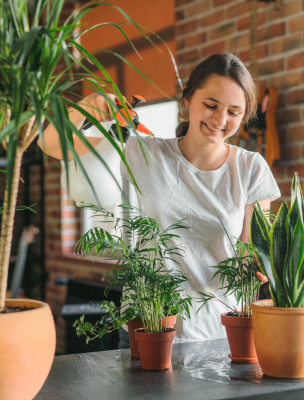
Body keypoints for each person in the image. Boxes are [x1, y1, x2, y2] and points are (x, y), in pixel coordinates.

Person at [38, 53, 280, 345]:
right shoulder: (144, 152)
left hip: (219, 331)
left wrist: (256, 265)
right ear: (188, 100)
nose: (220, 120)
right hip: (146, 327)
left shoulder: (251, 168)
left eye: (234, 112)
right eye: (211, 105)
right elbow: (51, 143)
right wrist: (90, 105)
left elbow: (252, 248)